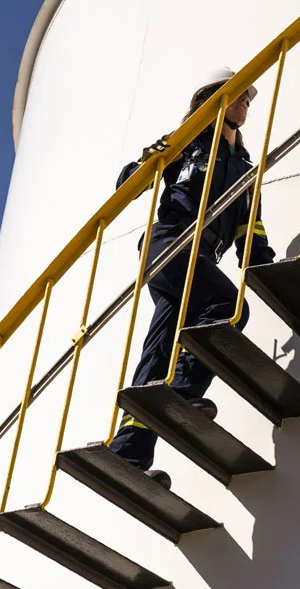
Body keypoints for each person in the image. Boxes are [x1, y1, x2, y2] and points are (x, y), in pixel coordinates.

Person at [109, 67, 276, 487]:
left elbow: (249, 227)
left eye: (248, 98)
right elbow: (130, 181)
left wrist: (262, 261)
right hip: (169, 244)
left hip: (200, 257)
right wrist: (153, 158)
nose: (245, 102)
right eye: (237, 94)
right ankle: (183, 393)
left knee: (159, 350)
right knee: (228, 307)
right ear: (210, 100)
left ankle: (127, 453)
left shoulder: (244, 169)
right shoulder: (189, 143)